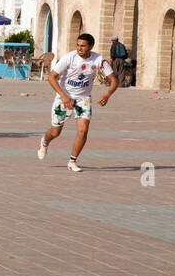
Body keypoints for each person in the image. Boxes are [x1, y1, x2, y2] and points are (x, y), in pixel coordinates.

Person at [39, 32, 119, 172]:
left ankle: (72, 161)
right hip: (64, 97)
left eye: (83, 46)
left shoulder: (98, 60)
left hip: (83, 99)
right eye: (77, 45)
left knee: (83, 130)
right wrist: (63, 96)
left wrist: (107, 94)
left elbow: (114, 80)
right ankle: (44, 142)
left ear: (91, 46)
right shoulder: (69, 57)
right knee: (56, 131)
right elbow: (51, 77)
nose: (79, 48)